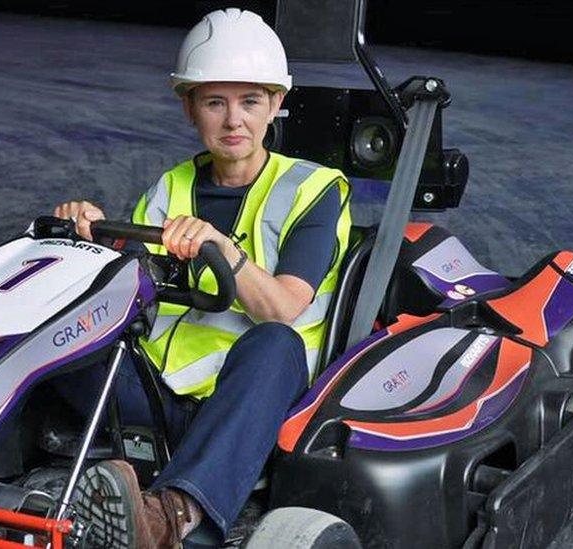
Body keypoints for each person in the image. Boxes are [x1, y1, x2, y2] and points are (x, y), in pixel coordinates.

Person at [53, 8, 352, 548]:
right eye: (215, 101)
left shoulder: (315, 189)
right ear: (189, 107)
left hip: (252, 400)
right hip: (153, 395)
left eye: (250, 101)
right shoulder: (171, 188)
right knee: (55, 320)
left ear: (276, 105)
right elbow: (129, 286)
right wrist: (89, 243)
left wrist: (220, 247)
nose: (234, 120)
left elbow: (286, 308)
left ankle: (172, 516)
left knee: (276, 341)